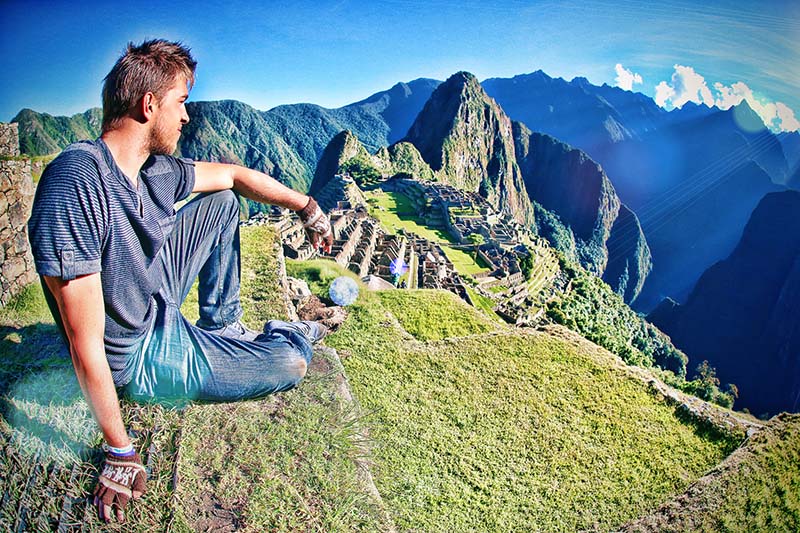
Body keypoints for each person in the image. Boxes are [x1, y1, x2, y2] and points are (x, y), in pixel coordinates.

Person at [27, 39, 334, 523]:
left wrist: (307, 207)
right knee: (292, 364)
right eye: (182, 103)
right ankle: (290, 333)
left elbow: (234, 176)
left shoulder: (153, 171)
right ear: (149, 105)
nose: (187, 118)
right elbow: (85, 342)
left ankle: (223, 325)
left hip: (151, 293)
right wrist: (121, 452)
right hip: (139, 353)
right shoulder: (75, 182)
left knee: (223, 202)